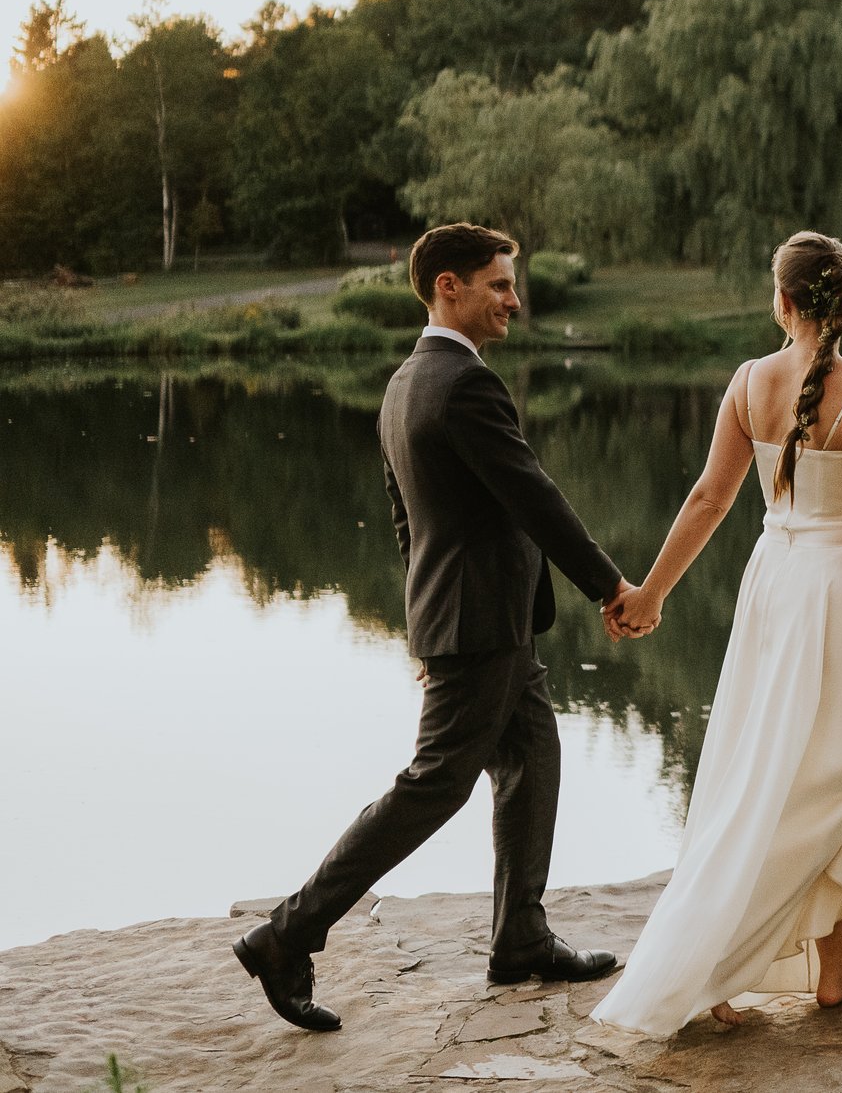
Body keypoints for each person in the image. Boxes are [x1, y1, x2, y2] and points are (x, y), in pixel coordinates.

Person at [233, 224, 632, 1032]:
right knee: (435, 784)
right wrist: (612, 585)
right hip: (478, 622)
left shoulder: (404, 382)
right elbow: (533, 495)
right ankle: (286, 934)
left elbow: (404, 523)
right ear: (449, 285)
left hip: (479, 619)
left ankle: (521, 936)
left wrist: (422, 623)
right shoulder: (463, 384)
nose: (513, 299)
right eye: (499, 284)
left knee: (532, 755)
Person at [593, 231, 842, 1036]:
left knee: (777, 769)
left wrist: (651, 592)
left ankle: (834, 959)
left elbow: (709, 498)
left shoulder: (749, 381)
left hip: (775, 584)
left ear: (781, 303)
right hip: (839, 591)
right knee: (834, 771)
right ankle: (740, 957)